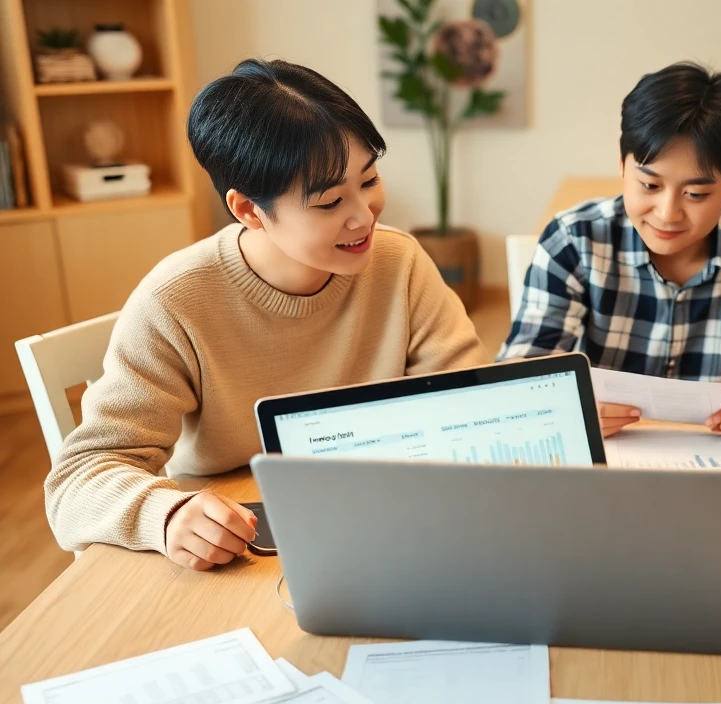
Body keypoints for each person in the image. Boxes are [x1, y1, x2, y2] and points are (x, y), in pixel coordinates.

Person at [45, 59, 489, 570]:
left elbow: (465, 408)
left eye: (369, 181)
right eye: (329, 203)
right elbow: (77, 481)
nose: (363, 216)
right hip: (238, 547)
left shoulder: (400, 263)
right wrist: (167, 515)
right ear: (249, 210)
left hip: (380, 526)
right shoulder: (175, 301)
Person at [499, 62, 721, 465]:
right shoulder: (575, 240)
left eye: (696, 194)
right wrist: (567, 406)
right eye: (649, 185)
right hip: (599, 462)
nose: (667, 213)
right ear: (622, 163)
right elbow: (524, 366)